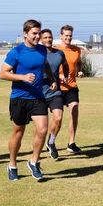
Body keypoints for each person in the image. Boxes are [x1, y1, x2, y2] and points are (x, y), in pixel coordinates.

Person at [0, 20, 57, 181]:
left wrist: (51, 78)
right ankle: (12, 165)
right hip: (19, 98)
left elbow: (44, 64)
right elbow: (3, 73)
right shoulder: (16, 52)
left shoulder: (41, 50)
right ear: (25, 34)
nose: (38, 36)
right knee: (18, 133)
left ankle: (34, 162)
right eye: (34, 33)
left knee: (42, 129)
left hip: (37, 97)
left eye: (39, 33)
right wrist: (22, 77)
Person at [54, 25, 84, 154]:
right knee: (57, 118)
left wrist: (80, 70)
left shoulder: (77, 50)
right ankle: (51, 141)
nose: (68, 38)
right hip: (58, 88)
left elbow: (78, 62)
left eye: (70, 35)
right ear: (61, 36)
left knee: (74, 110)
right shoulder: (55, 50)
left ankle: (71, 143)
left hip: (72, 86)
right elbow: (49, 67)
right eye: (66, 35)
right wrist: (58, 76)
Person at [39, 29, 68, 160]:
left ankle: (51, 142)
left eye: (49, 37)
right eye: (45, 37)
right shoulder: (36, 54)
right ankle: (37, 148)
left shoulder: (59, 53)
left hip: (55, 91)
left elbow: (65, 64)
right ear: (40, 39)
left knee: (58, 117)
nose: (48, 40)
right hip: (38, 94)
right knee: (41, 127)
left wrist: (66, 76)